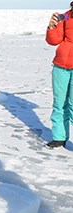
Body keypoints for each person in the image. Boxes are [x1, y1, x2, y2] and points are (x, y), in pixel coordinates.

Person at [46, 3, 73, 149]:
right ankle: (59, 137)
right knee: (59, 103)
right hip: (60, 66)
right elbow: (53, 40)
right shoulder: (66, 16)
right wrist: (51, 27)